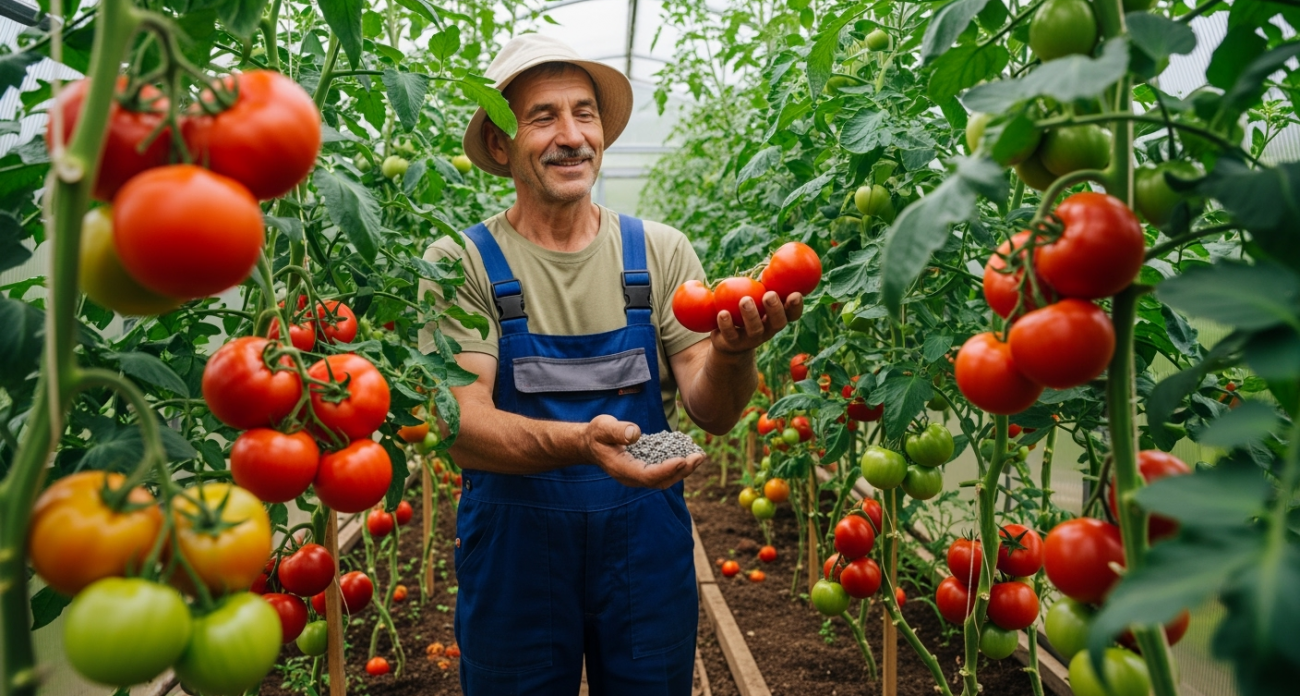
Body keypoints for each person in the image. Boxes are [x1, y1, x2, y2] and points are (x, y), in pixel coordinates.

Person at [418, 34, 803, 696]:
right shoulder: (461, 262)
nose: (572, 136)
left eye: (585, 113)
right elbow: (461, 425)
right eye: (543, 117)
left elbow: (711, 412)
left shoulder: (658, 252)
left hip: (644, 546)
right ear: (502, 146)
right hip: (515, 555)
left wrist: (735, 354)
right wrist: (584, 444)